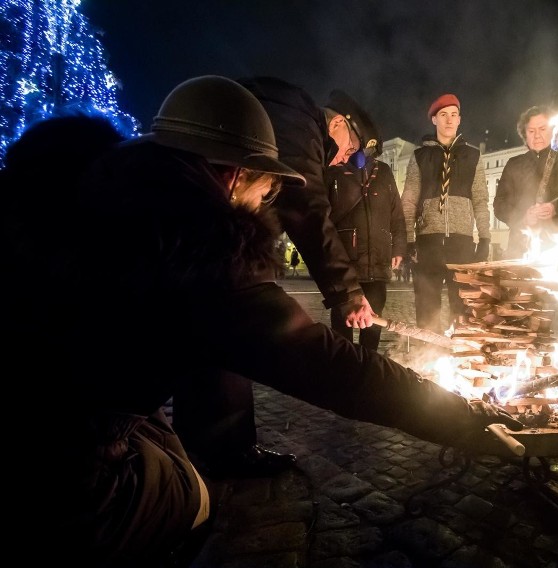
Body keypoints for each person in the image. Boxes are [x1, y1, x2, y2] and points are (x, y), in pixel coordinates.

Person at [5, 76, 522, 566]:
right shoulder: (204, 254)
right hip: (50, 480)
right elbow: (338, 371)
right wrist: (463, 420)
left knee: (153, 427)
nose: (268, 204)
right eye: (268, 191)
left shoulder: (87, 190)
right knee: (194, 496)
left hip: (40, 407)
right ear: (234, 175)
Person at [170, 76, 384, 478]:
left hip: (207, 238)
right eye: (350, 151)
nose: (342, 160)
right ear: (338, 125)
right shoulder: (297, 119)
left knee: (210, 334)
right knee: (231, 324)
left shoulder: (282, 105)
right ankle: (224, 452)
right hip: (220, 243)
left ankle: (207, 444)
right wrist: (348, 294)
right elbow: (308, 211)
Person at [401, 93, 492, 332]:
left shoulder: (473, 156)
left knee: (463, 308)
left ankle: (460, 358)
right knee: (426, 307)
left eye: (453, 115)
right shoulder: (420, 156)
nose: (449, 120)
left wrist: (484, 238)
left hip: (461, 244)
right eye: (443, 115)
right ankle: (427, 358)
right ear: (434, 120)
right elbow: (409, 200)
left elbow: (481, 200)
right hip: (427, 243)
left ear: (459, 120)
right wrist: (409, 240)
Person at [325, 89, 407, 352]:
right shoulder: (335, 169)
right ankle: (344, 366)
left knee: (373, 322)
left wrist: (399, 247)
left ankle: (369, 366)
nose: (360, 151)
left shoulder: (383, 172)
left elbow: (397, 213)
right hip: (347, 260)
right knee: (343, 321)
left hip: (379, 262)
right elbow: (321, 217)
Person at [493, 105, 558, 261]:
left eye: (542, 129)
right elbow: (499, 205)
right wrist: (523, 217)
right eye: (531, 131)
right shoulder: (514, 164)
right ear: (524, 135)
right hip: (521, 246)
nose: (537, 135)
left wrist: (556, 208)